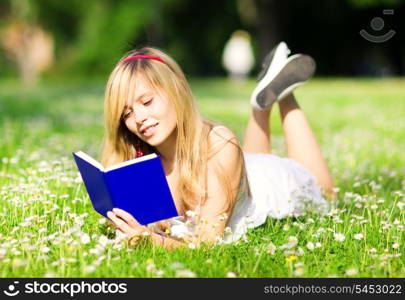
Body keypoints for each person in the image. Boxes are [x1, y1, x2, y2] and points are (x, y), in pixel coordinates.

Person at [102, 42, 336, 250]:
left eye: (147, 101)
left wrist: (149, 239)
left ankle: (285, 95)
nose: (139, 118)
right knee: (248, 159)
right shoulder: (136, 160)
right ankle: (261, 104)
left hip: (271, 185)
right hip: (237, 171)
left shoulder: (220, 146)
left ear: (177, 90)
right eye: (127, 113)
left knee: (325, 192)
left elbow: (207, 243)